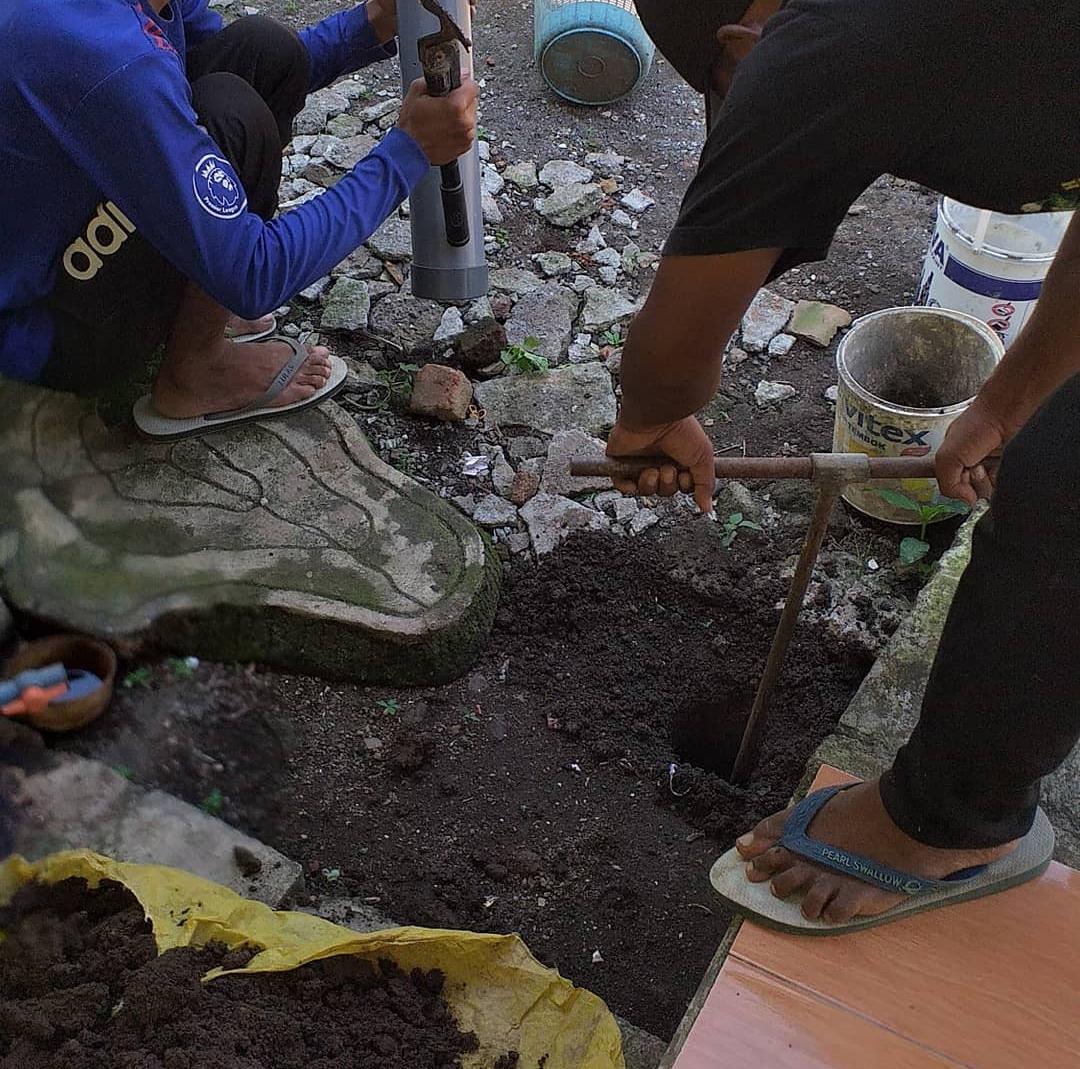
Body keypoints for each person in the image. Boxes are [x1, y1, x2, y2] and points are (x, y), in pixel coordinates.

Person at [612, 0, 1080, 930]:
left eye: (718, 90)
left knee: (1064, 498)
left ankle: (951, 826)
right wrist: (1005, 404)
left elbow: (670, 347)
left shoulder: (816, 45)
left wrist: (651, 422)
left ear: (741, 49)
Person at [0, 0, 477, 435]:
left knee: (264, 53)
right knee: (236, 120)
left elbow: (236, 67)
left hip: (43, 233)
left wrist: (376, 18)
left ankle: (197, 304)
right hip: (40, 335)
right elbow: (256, 271)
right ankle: (194, 373)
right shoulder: (111, 57)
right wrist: (406, 154)